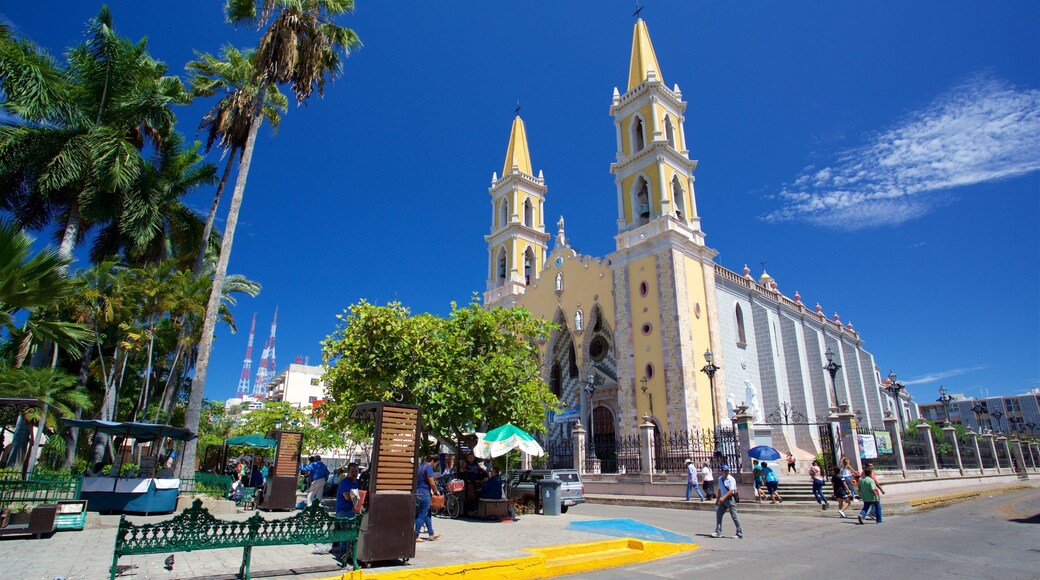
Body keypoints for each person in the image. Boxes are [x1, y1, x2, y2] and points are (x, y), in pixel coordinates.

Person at [330, 463, 361, 559]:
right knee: (348, 526)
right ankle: (343, 553)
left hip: (355, 510)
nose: (354, 473)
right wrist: (358, 495)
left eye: (356, 471)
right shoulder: (344, 482)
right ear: (348, 472)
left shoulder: (358, 482)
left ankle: (353, 553)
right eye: (352, 471)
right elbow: (347, 496)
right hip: (343, 511)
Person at [710, 464, 743, 539]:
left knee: (734, 516)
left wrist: (723, 497)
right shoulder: (720, 479)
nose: (726, 472)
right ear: (722, 471)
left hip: (730, 499)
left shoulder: (731, 479)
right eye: (724, 471)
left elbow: (731, 490)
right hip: (723, 500)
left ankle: (739, 532)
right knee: (719, 514)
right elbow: (720, 490)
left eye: (727, 470)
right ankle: (718, 531)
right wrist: (718, 500)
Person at [415, 454, 441, 542]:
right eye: (436, 463)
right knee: (422, 515)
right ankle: (415, 536)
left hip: (418, 492)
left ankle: (431, 534)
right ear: (433, 460)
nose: (436, 465)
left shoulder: (421, 466)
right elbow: (432, 482)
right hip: (424, 493)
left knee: (427, 514)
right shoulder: (429, 468)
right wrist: (436, 491)